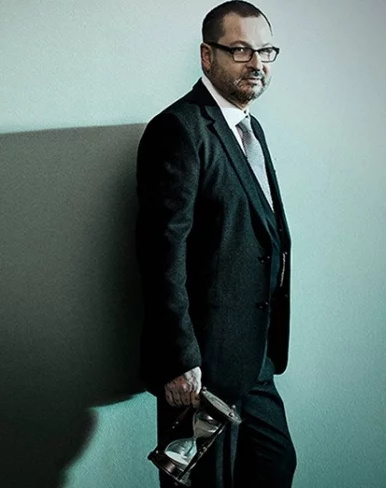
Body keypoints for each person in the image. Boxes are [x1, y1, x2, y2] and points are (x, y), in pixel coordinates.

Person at [136, 2, 295, 486]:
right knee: (204, 484)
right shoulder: (179, 129)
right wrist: (180, 360)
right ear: (208, 56)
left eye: (265, 51)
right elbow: (162, 254)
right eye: (240, 50)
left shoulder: (249, 127)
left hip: (253, 357)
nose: (257, 63)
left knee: (274, 466)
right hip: (201, 365)